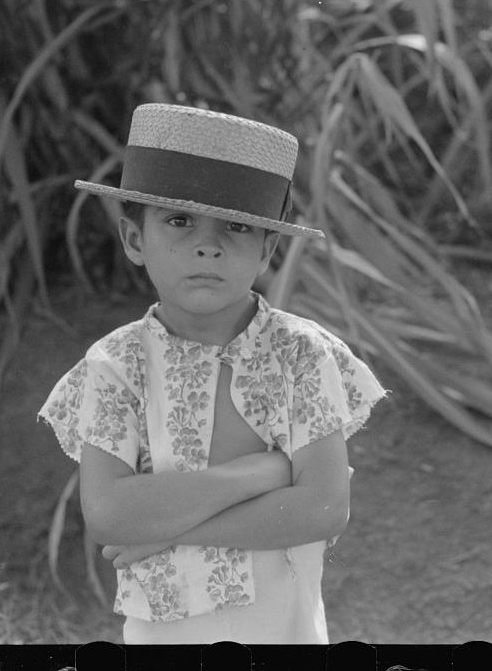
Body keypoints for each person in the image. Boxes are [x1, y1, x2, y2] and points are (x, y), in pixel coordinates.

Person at [38, 103, 387, 644]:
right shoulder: (116, 366)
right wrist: (265, 472)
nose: (209, 245)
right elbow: (109, 517)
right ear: (134, 240)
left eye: (237, 226)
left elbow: (323, 507)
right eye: (179, 221)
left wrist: (167, 530)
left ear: (267, 249)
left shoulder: (302, 354)